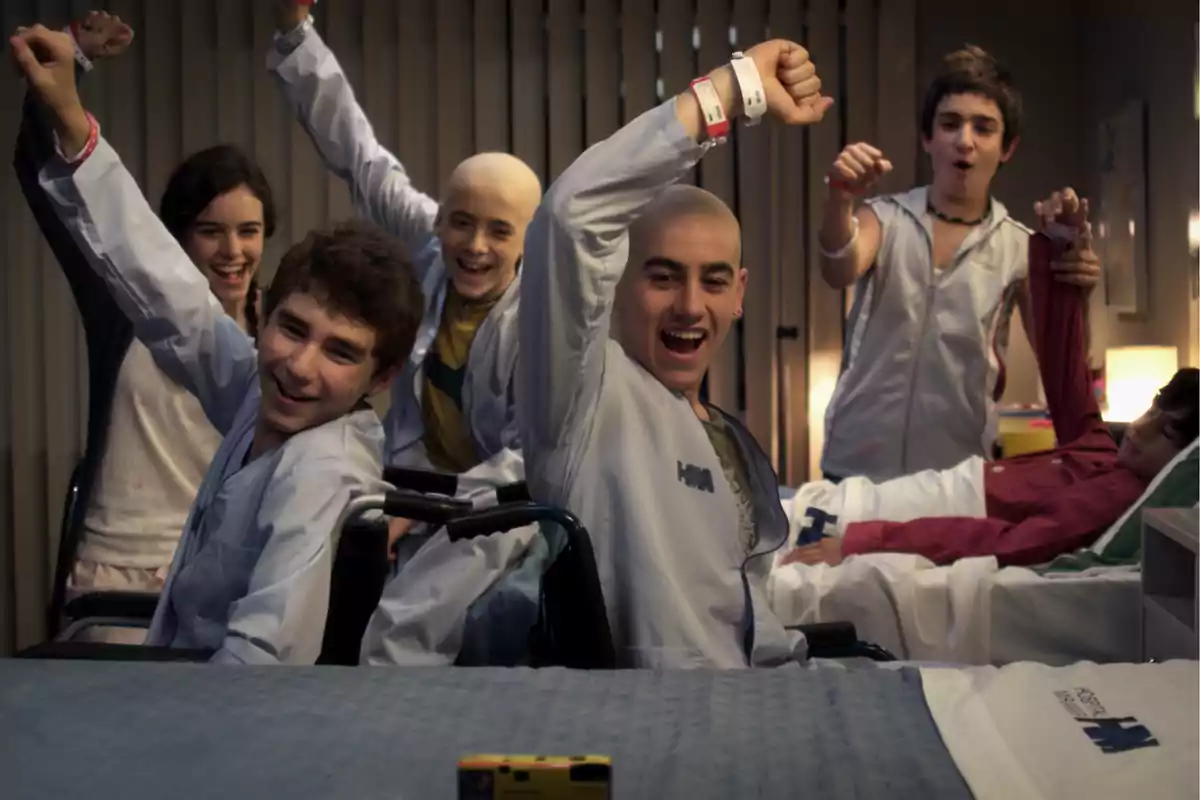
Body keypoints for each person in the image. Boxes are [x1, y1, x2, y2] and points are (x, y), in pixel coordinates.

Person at [11, 23, 426, 664]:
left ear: (382, 376)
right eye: (292, 330)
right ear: (271, 317)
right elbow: (166, 288)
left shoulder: (319, 470)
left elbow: (261, 661)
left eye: (341, 352)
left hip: (218, 723)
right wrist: (67, 110)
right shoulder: (258, 391)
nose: (300, 366)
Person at [518, 39, 832, 668]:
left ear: (738, 293)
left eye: (713, 280)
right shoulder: (585, 404)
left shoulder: (732, 443)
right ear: (618, 284)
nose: (690, 305)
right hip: (663, 733)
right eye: (663, 277)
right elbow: (570, 217)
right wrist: (734, 87)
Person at [12, 11, 275, 642]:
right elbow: (43, 177)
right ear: (174, 236)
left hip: (217, 573)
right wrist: (68, 61)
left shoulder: (282, 334)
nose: (232, 251)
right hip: (115, 573)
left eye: (249, 231)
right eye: (210, 232)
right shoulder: (124, 311)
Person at [781, 192, 1199, 569]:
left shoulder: (1117, 496)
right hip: (945, 482)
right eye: (1153, 407)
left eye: (1165, 431)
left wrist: (862, 543)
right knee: (794, 507)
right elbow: (1064, 367)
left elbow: (1006, 541)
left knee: (794, 520)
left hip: (951, 505)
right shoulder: (1101, 454)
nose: (1140, 428)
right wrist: (1061, 244)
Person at [268, 1, 541, 523]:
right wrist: (293, 32)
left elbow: (527, 460)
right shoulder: (431, 241)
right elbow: (361, 160)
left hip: (495, 517)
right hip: (405, 485)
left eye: (500, 231)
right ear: (440, 221)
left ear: (529, 239)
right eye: (461, 221)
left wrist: (423, 510)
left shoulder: (540, 321)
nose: (475, 245)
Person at [816, 45, 1100, 483]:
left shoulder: (1018, 248)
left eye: (983, 128)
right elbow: (838, 267)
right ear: (928, 138)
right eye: (950, 124)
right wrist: (839, 197)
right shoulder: (885, 218)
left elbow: (1062, 364)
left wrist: (1075, 294)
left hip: (956, 478)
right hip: (855, 467)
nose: (964, 140)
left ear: (1007, 147)